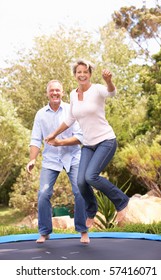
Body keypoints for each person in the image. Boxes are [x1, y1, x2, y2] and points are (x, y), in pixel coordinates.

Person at [45, 59, 129, 228]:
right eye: (79, 72)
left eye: (85, 72)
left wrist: (108, 81)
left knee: (91, 176)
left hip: (106, 140)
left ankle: (122, 201)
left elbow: (112, 93)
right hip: (89, 145)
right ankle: (91, 211)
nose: (82, 74)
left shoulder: (97, 89)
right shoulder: (73, 94)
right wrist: (53, 134)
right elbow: (69, 119)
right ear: (75, 75)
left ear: (90, 74)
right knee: (81, 181)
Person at [26, 79, 89, 244]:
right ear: (47, 93)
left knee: (80, 192)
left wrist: (60, 142)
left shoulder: (71, 110)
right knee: (43, 194)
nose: (54, 93)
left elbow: (80, 137)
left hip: (73, 157)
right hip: (51, 160)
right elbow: (35, 139)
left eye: (57, 90)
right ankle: (45, 232)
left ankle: (83, 231)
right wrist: (32, 159)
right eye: (51, 90)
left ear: (62, 92)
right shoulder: (40, 114)